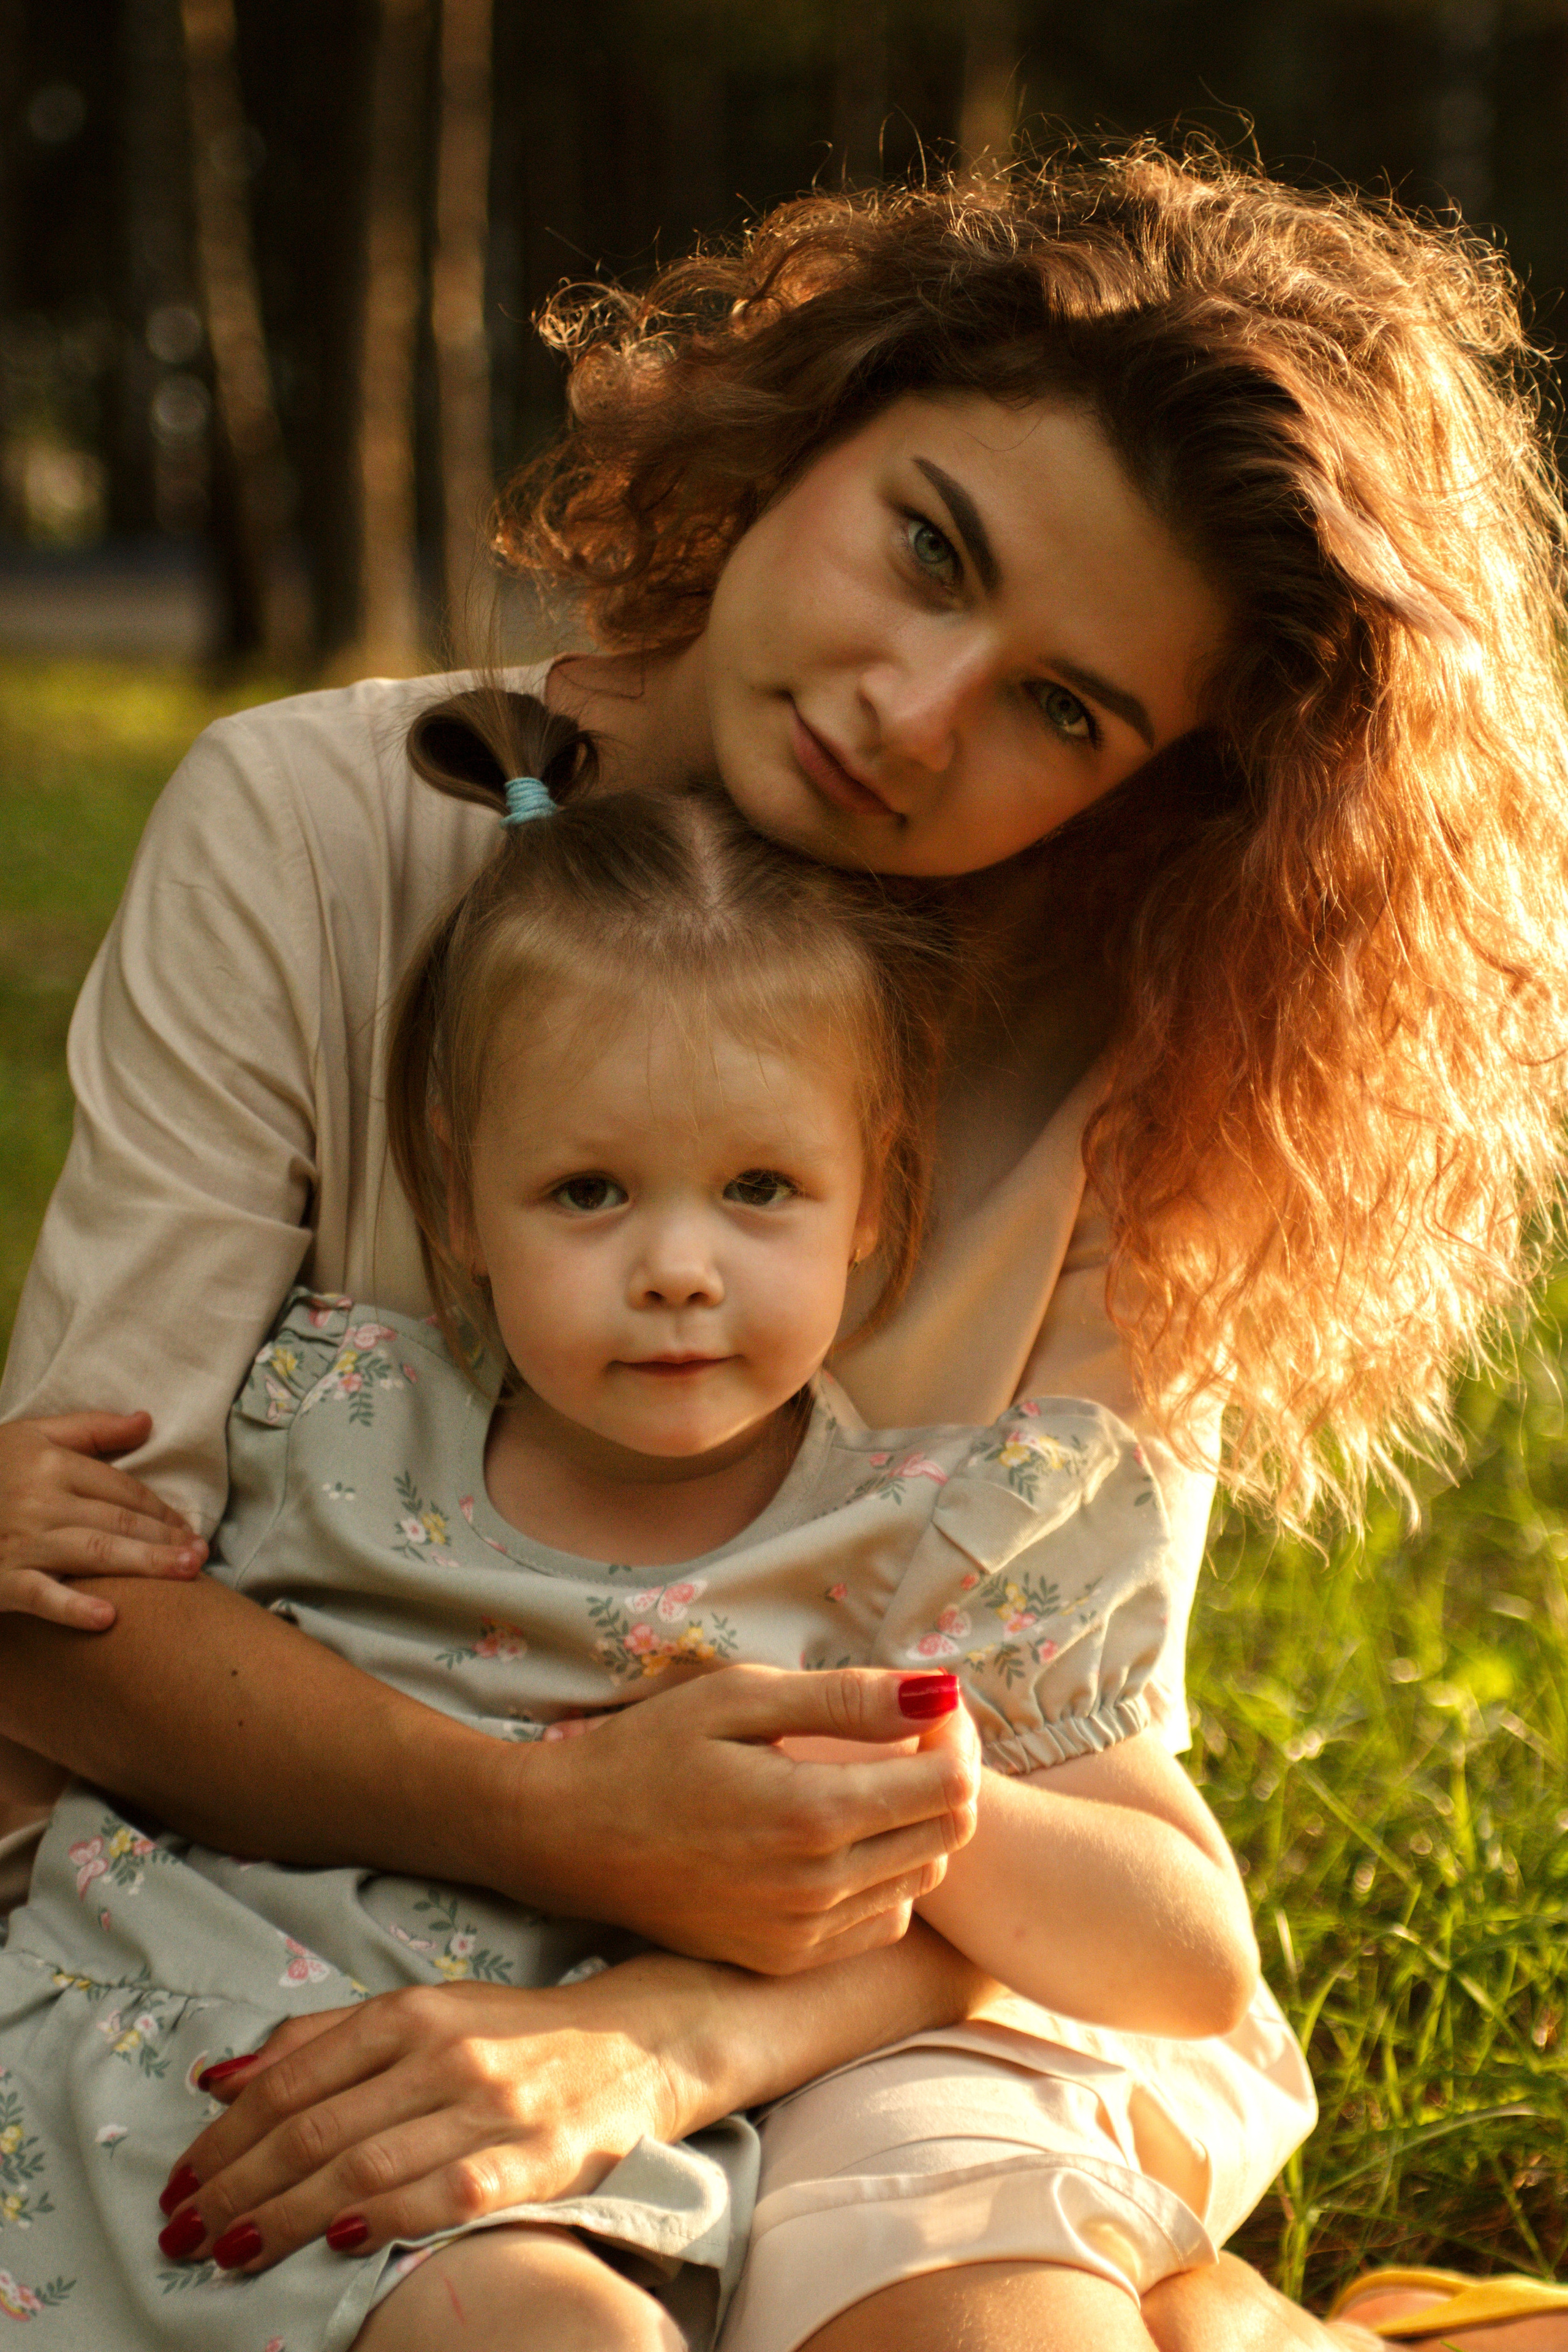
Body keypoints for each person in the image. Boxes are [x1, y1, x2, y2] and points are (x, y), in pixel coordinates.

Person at [0, 142, 1566, 2350]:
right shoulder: (313, 835)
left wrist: (663, 2036)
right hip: (315, 1905)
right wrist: (564, 1819)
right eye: (928, 548)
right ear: (812, 421)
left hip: (909, 1975)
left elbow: (1085, 1831)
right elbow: (66, 1610)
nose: (911, 714)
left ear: (1159, 785)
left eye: (1065, 708)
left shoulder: (1143, 1072)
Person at [0, 721, 1274, 2348]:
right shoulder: (330, 1417)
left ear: (874, 1201)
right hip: (210, 2056)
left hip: (584, 2142)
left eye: (760, 1188)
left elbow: (1190, 1962)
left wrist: (930, 1811)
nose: (678, 1268)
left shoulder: (922, 1540)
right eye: (591, 1192)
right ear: (457, 1201)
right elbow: (87, 1622)